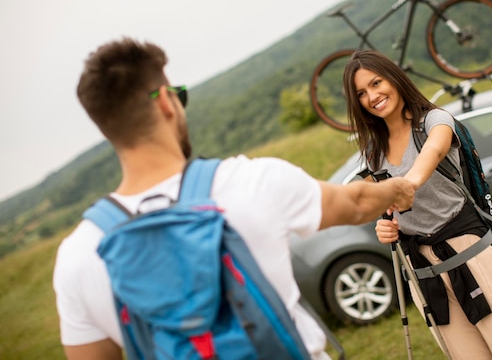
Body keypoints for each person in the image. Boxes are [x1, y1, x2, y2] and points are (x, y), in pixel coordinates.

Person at [52, 38, 415, 360]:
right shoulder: (251, 181)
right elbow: (354, 204)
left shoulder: (77, 255)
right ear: (166, 102)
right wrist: (396, 188)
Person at [342, 50, 492, 360]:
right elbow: (358, 197)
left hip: (473, 255)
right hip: (426, 275)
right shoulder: (373, 153)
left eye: (376, 82)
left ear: (393, 78)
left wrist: (408, 184)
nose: (372, 96)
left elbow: (432, 153)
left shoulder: (434, 121)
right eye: (361, 93)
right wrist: (380, 223)